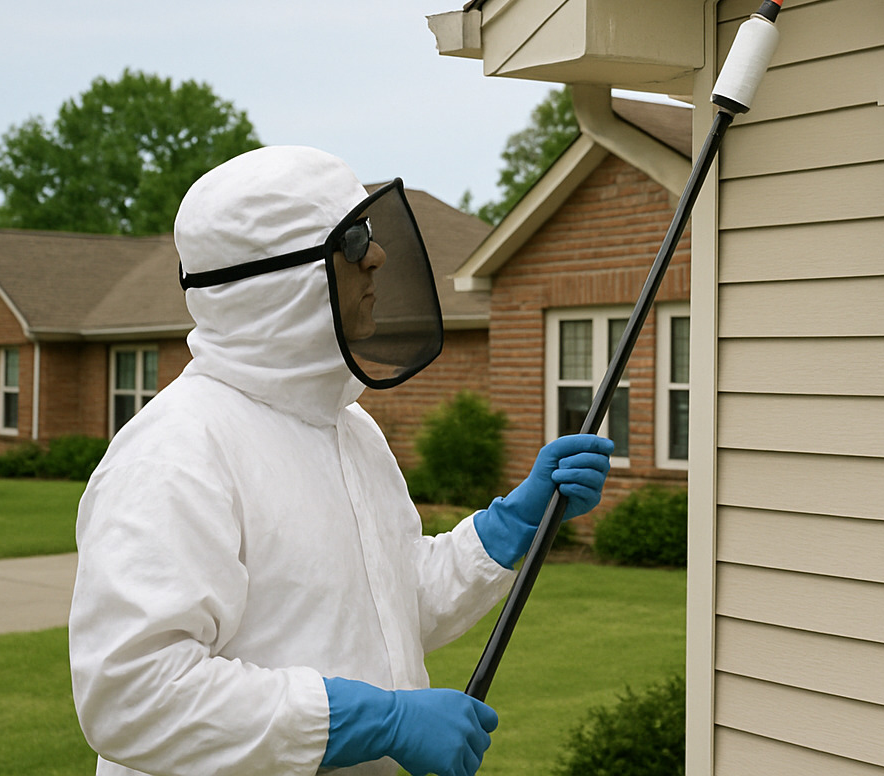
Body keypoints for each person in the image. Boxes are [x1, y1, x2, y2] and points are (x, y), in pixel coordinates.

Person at [69, 146, 612, 776]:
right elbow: (133, 696)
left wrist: (511, 526)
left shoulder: (349, 431)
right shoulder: (175, 452)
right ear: (281, 280)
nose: (377, 256)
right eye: (353, 241)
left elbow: (394, 604)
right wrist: (375, 720)